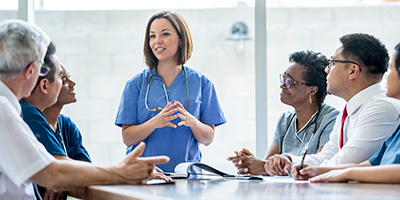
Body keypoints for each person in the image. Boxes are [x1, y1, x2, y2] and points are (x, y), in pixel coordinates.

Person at [0, 19, 169, 199]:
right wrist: (123, 172)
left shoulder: (12, 109)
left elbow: (52, 170)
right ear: (31, 70)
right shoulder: (4, 110)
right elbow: (53, 173)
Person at [265, 33, 400, 176]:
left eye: (332, 63)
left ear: (352, 71)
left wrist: (305, 169)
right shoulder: (349, 110)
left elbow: (344, 162)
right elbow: (328, 155)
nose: (326, 70)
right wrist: (290, 160)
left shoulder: (382, 108)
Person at [115, 10, 226, 172]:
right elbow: (128, 138)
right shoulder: (135, 84)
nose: (157, 41)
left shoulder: (202, 83)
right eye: (152, 36)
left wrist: (192, 121)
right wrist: (155, 122)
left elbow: (208, 139)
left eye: (165, 34)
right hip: (144, 175)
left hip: (187, 175)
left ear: (181, 39)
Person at [226, 50, 339, 175]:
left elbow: (321, 166)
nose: (282, 86)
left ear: (312, 90)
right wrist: (251, 164)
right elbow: (268, 165)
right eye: (283, 78)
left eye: (289, 82)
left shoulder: (332, 120)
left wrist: (262, 167)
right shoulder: (285, 120)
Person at [43, 63, 91, 162]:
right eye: (64, 80)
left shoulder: (66, 124)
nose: (73, 84)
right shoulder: (33, 122)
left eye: (69, 77)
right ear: (44, 86)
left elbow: (86, 165)